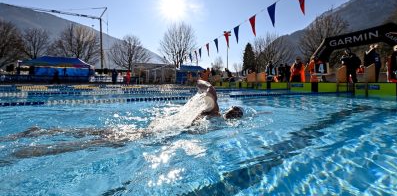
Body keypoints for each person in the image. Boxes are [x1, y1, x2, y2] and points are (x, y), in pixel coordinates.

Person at [7, 80, 243, 159]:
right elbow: (208, 89)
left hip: (154, 130)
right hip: (155, 136)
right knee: (99, 140)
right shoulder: (216, 120)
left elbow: (207, 87)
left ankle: (42, 133)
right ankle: (34, 150)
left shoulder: (210, 113)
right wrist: (205, 86)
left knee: (97, 134)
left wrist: (203, 82)